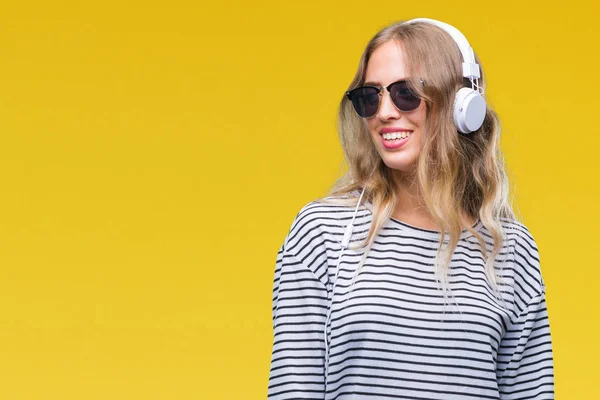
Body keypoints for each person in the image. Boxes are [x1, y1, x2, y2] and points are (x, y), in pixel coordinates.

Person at [267, 18, 554, 399]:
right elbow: (293, 390)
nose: (384, 112)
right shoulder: (322, 232)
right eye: (370, 97)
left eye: (405, 93)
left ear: (460, 106)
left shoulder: (511, 249)